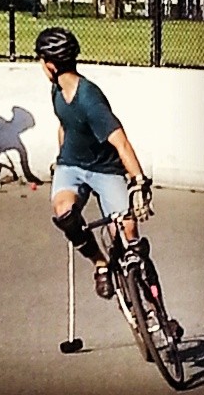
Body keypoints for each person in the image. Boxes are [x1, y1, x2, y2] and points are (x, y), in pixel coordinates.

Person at [34, 27, 156, 300]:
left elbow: (120, 141)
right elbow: (64, 125)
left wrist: (138, 182)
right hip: (71, 166)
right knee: (66, 214)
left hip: (106, 169)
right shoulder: (56, 90)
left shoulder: (89, 98)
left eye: (41, 59)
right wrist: (61, 158)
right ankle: (101, 265)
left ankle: (155, 304)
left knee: (128, 234)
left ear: (51, 64)